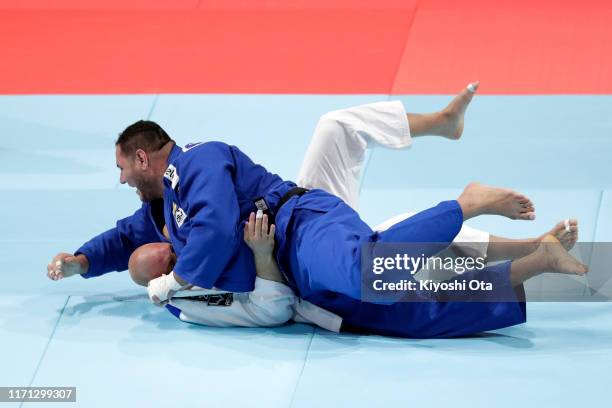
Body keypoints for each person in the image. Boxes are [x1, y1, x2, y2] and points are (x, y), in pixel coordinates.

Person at [46, 83, 585, 338]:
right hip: (296, 270)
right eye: (156, 266)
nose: (156, 253)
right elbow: (123, 240)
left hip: (298, 222)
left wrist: (179, 277)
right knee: (410, 303)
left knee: (364, 249)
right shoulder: (170, 239)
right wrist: (83, 262)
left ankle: (463, 198)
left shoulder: (193, 167)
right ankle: (533, 261)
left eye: (122, 168)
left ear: (144, 157)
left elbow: (210, 232)